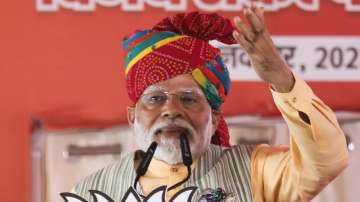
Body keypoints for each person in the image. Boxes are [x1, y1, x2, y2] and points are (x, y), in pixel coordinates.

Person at [72, 5, 348, 202]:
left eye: (189, 98)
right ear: (132, 117)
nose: (171, 110)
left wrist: (282, 79)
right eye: (155, 98)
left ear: (214, 118)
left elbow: (326, 161)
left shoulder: (256, 172)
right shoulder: (92, 191)